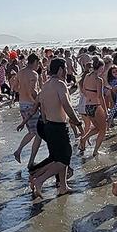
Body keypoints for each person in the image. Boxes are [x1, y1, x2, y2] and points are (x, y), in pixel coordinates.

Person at [27, 58, 83, 197]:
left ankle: (62, 186)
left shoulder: (46, 85)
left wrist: (46, 121)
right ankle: (39, 180)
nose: (66, 71)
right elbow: (67, 105)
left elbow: (41, 105)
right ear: (60, 69)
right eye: (65, 68)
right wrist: (78, 122)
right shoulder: (60, 84)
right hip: (58, 126)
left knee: (57, 158)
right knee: (64, 159)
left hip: (49, 125)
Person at [12, 54, 44, 165]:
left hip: (22, 103)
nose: (38, 66)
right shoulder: (33, 74)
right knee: (37, 133)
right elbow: (32, 91)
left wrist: (23, 91)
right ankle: (24, 156)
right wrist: (38, 102)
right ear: (34, 62)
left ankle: (20, 152)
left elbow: (15, 87)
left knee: (32, 132)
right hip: (30, 104)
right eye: (38, 63)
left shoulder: (20, 72)